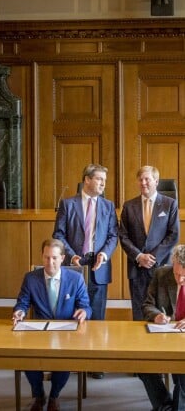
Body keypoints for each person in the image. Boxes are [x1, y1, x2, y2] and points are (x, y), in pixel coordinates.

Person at [53, 163, 118, 379]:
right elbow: (59, 234)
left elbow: (112, 236)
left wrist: (104, 255)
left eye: (104, 181)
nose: (102, 184)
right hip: (75, 268)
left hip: (99, 266)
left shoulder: (108, 206)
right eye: (99, 179)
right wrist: (72, 256)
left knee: (97, 317)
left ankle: (95, 363)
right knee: (72, 313)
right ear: (87, 179)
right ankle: (71, 360)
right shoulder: (67, 204)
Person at [12, 238, 91, 411]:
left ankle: (54, 396)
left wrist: (84, 312)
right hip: (39, 331)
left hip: (67, 331)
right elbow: (22, 303)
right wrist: (19, 311)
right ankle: (39, 395)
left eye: (54, 258)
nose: (50, 262)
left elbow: (86, 306)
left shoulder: (75, 279)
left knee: (65, 357)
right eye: (46, 257)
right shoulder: (31, 278)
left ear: (62, 258)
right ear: (42, 257)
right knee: (26, 356)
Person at [119, 165, 180, 321]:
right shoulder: (129, 206)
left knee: (163, 312)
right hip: (137, 267)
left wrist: (152, 257)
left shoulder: (169, 204)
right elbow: (123, 235)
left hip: (162, 267)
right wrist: (139, 256)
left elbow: (173, 235)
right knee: (139, 313)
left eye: (147, 179)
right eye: (140, 180)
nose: (143, 183)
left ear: (156, 181)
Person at [139, 244, 185, 411]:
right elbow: (147, 305)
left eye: (184, 277)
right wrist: (156, 315)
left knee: (183, 372)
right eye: (177, 273)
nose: (180, 279)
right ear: (173, 264)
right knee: (142, 366)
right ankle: (165, 405)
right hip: (163, 336)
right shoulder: (161, 274)